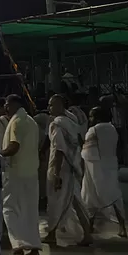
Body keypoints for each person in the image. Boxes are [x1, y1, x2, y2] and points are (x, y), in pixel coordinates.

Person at [43, 95, 93, 247]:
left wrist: (56, 173)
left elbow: (59, 149)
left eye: (51, 105)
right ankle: (87, 233)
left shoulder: (57, 124)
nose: (48, 108)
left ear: (59, 106)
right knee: (76, 201)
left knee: (55, 201)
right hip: (73, 166)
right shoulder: (72, 121)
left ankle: (51, 234)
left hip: (61, 168)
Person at [0, 94, 42, 255]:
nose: (5, 108)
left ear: (15, 104)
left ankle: (17, 245)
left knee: (9, 209)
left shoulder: (17, 121)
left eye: (7, 104)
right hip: (31, 172)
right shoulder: (31, 121)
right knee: (30, 212)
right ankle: (33, 248)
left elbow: (14, 146)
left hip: (16, 173)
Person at [81, 105, 128, 238]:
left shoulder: (93, 130)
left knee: (90, 195)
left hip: (95, 168)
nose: (90, 119)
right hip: (111, 165)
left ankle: (89, 226)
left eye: (91, 116)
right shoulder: (112, 128)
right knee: (114, 195)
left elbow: (87, 151)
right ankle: (122, 227)